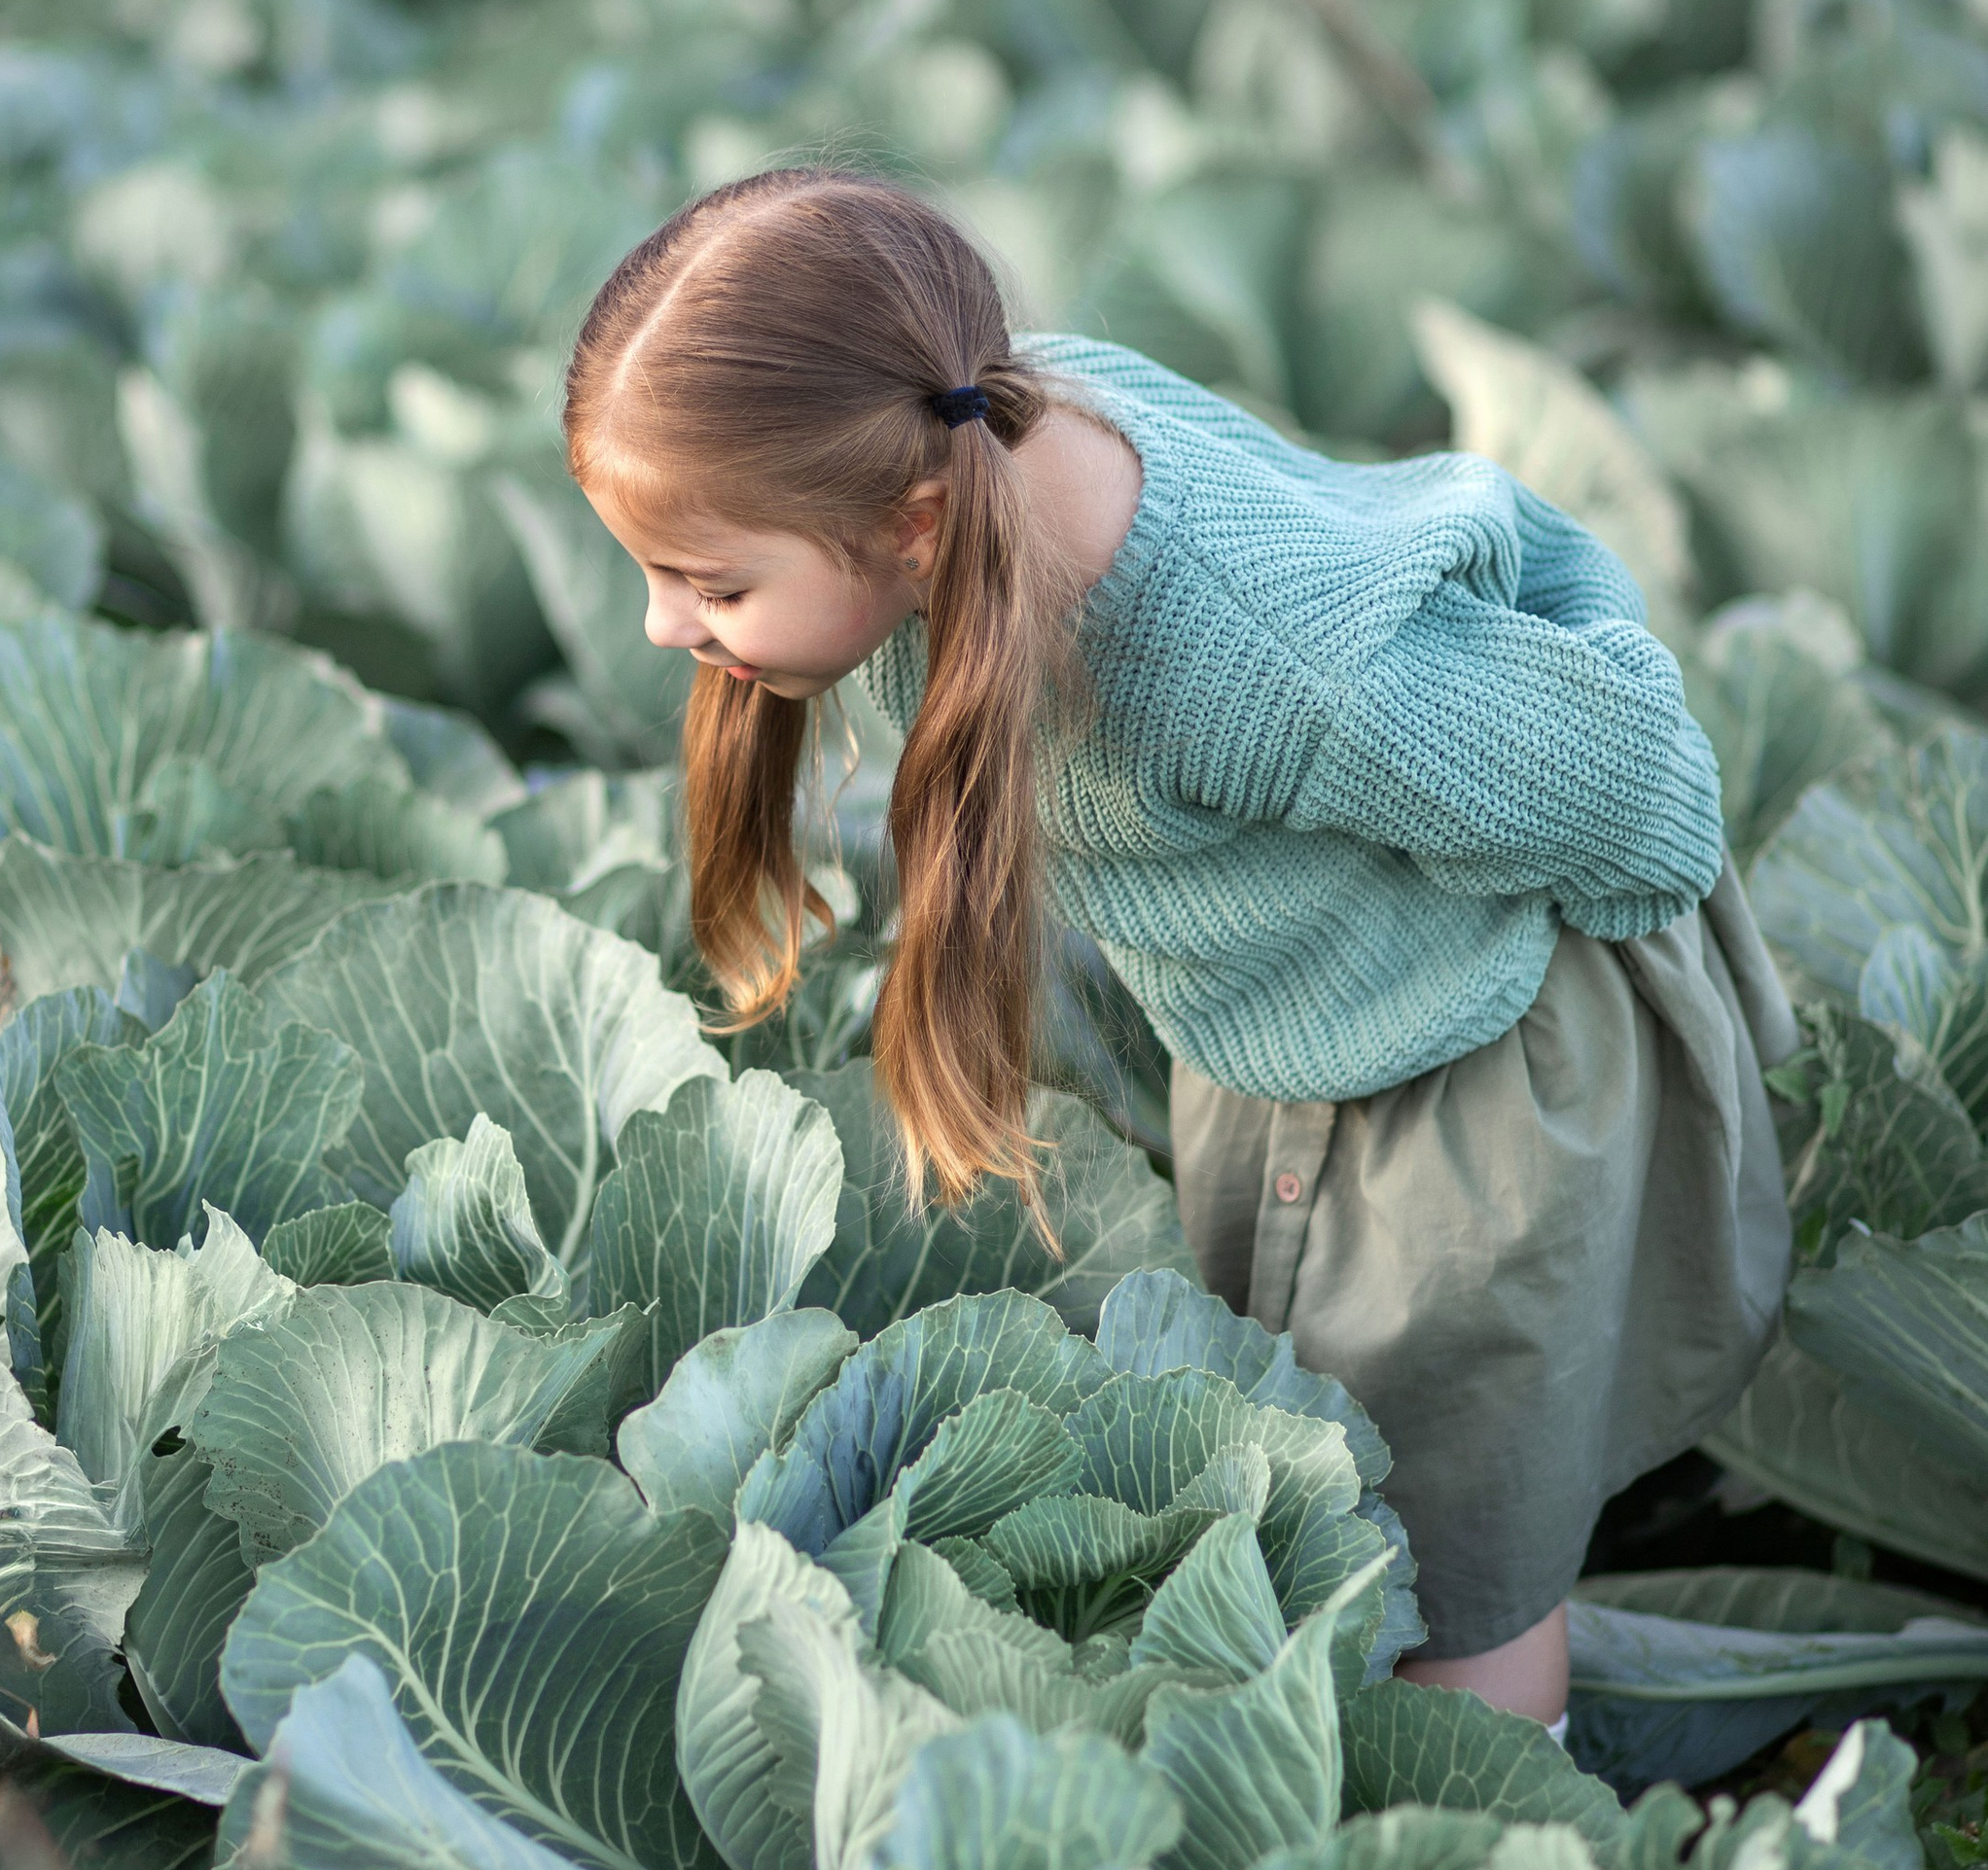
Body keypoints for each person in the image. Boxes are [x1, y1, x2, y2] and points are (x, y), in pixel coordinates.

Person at [565, 165, 1794, 1732]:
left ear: (913, 529)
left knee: (1454, 1565)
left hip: (1466, 1072)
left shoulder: (1235, 664)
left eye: (710, 584)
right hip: (1282, 1036)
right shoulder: (951, 426)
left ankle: (1503, 1848)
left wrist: (1642, 988)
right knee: (1334, 1454)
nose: (668, 627)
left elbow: (1631, 781)